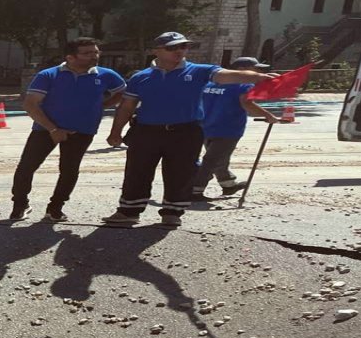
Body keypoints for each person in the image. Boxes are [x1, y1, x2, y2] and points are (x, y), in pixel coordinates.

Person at [102, 32, 278, 227]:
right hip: (146, 132)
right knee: (137, 171)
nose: (179, 51)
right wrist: (115, 132)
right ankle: (128, 212)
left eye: (183, 46)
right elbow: (127, 106)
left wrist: (259, 77)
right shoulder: (140, 77)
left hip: (185, 132)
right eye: (172, 47)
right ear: (156, 51)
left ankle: (172, 212)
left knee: (181, 173)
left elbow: (226, 75)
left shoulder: (199, 71)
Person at [10, 37, 126, 222]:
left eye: (96, 52)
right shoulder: (48, 75)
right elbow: (30, 104)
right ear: (70, 57)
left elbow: (123, 93)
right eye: (87, 53)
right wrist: (53, 129)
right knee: (27, 167)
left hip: (83, 131)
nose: (94, 56)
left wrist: (102, 105)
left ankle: (55, 208)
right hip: (45, 130)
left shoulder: (107, 75)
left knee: (69, 170)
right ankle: (20, 204)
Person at [191, 57, 280, 200]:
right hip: (228, 129)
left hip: (206, 126)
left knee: (218, 158)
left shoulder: (211, 83)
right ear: (241, 70)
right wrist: (268, 116)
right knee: (211, 160)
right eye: (254, 68)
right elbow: (247, 104)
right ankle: (195, 191)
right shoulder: (243, 85)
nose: (257, 71)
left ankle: (228, 184)